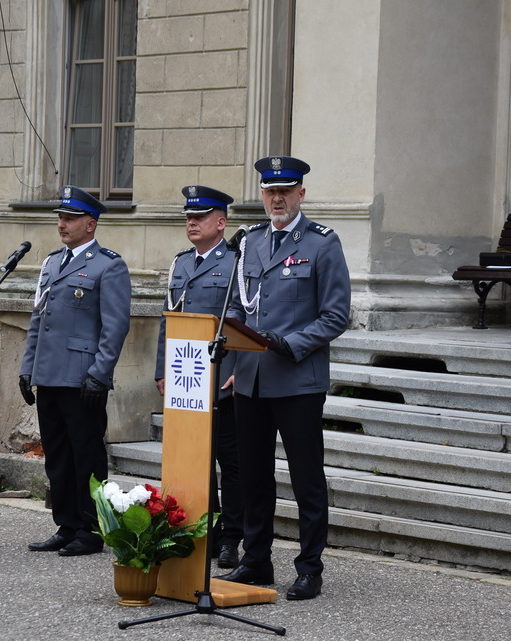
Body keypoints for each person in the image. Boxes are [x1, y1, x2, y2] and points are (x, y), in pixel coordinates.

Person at [216, 156, 351, 601]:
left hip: (297, 380)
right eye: (270, 191)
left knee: (306, 478)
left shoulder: (322, 243)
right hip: (251, 380)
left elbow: (335, 315)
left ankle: (309, 567)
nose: (277, 198)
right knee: (254, 476)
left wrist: (288, 343)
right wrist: (235, 362)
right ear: (262, 195)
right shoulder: (250, 241)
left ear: (301, 194)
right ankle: (256, 560)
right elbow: (236, 306)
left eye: (286, 191)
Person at [19, 185, 132, 557]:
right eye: (60, 218)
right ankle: (66, 525)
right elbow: (38, 320)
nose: (61, 224)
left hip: (82, 378)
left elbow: (114, 327)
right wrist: (26, 368)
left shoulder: (108, 265)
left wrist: (100, 373)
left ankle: (91, 529)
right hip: (49, 375)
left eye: (69, 219)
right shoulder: (52, 263)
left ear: (90, 224)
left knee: (86, 456)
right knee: (58, 455)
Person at [154, 185, 245, 569]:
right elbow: (168, 319)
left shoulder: (236, 261)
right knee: (194, 460)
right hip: (185, 379)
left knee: (231, 463)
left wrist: (240, 367)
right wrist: (162, 369)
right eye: (189, 217)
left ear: (220, 222)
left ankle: (230, 537)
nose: (191, 222)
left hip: (222, 380)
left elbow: (246, 317)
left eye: (200, 217)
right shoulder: (180, 264)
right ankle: (201, 532)